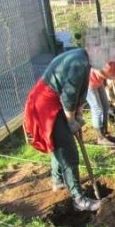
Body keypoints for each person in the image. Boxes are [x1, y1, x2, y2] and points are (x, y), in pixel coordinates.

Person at [23, 48, 102, 212]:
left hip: (53, 102)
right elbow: (68, 97)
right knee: (69, 151)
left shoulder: (83, 60)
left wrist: (79, 114)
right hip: (46, 105)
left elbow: (80, 91)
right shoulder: (79, 63)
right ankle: (79, 200)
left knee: (59, 143)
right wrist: (71, 121)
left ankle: (58, 180)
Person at [86, 56, 115, 146]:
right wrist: (109, 77)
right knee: (98, 109)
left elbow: (114, 81)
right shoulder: (107, 57)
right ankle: (101, 137)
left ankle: (105, 134)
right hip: (88, 83)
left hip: (98, 83)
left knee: (106, 107)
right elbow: (97, 70)